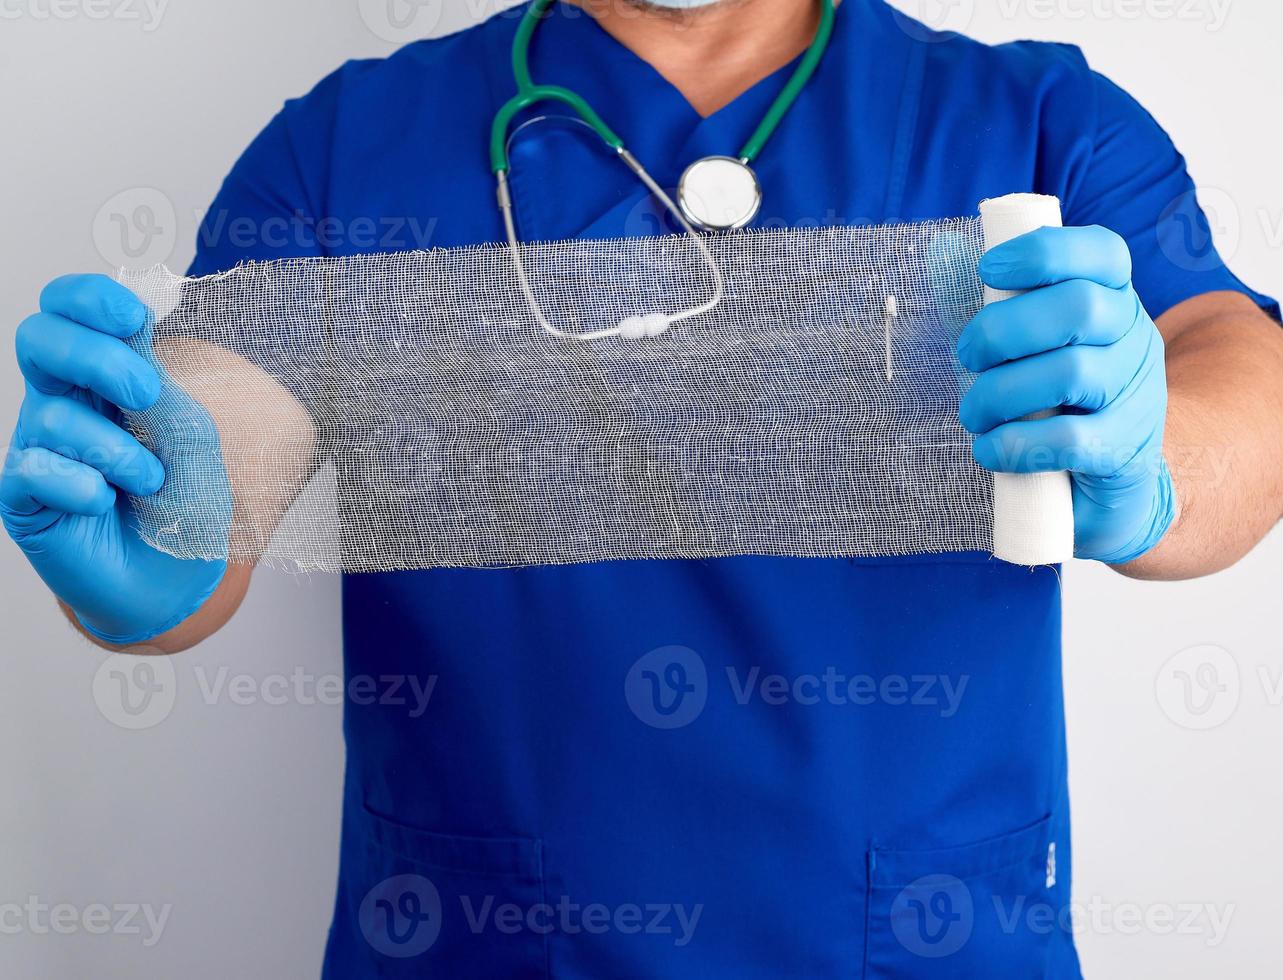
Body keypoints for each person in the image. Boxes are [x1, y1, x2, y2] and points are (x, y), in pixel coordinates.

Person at [4, 0, 1282, 975]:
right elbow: (218, 453)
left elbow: (1241, 371)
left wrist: (1154, 465)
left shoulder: (1030, 120)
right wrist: (149, 529)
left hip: (915, 935)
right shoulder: (348, 147)